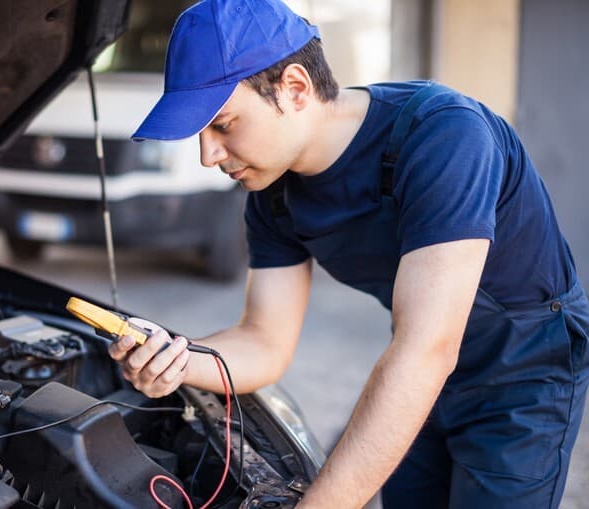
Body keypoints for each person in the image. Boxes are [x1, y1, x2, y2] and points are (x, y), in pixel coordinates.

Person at [108, 0, 589, 507]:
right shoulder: (274, 195)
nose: (207, 155)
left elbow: (427, 349)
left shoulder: (444, 135)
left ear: (295, 88)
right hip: (418, 371)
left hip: (524, 372)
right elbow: (263, 341)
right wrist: (178, 359)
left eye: (223, 124)